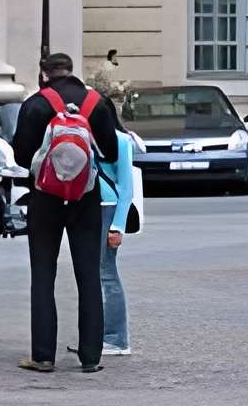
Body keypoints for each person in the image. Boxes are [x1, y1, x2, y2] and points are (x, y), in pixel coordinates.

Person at [13, 52, 119, 374]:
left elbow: (21, 156)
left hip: (45, 196)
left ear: (44, 74)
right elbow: (110, 152)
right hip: (85, 196)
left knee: (43, 275)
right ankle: (91, 357)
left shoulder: (35, 104)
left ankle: (43, 355)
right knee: (89, 275)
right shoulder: (97, 103)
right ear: (72, 71)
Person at [99, 121, 144, 356]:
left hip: (108, 206)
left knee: (106, 273)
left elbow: (126, 187)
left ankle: (116, 339)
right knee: (98, 274)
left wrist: (117, 226)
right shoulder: (87, 132)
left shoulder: (120, 139)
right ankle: (101, 335)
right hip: (92, 207)